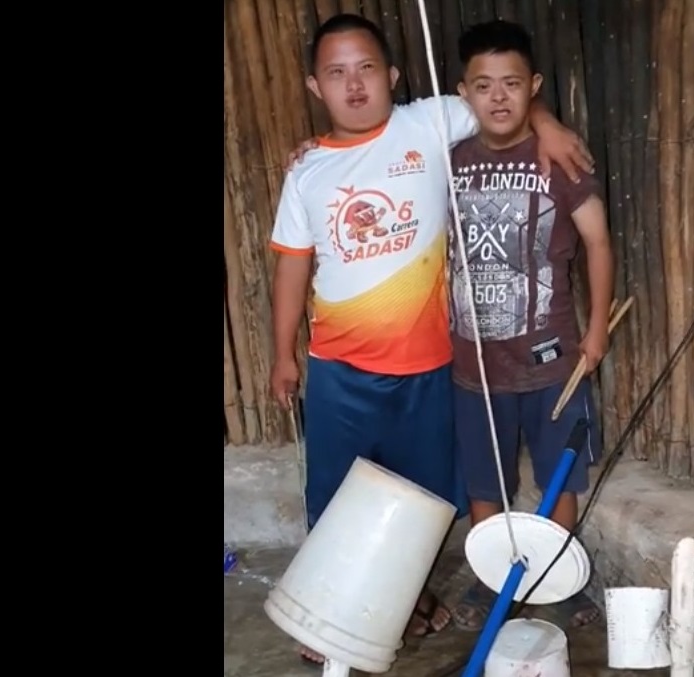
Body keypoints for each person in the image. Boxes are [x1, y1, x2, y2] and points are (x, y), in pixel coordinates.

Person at [267, 13, 593, 666]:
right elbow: (293, 264)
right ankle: (329, 617)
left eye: (365, 69)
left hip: (430, 364)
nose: (353, 85)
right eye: (336, 73)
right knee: (334, 496)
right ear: (314, 86)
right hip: (339, 368)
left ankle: (405, 603)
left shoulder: (431, 122)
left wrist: (550, 122)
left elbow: (503, 100)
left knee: (423, 500)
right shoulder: (306, 173)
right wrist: (281, 354)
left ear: (391, 76)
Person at [445, 20, 614, 632]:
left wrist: (595, 333)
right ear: (462, 93)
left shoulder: (558, 158)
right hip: (473, 365)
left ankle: (556, 575)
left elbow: (597, 243)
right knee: (483, 482)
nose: (498, 97)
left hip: (552, 361)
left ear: (533, 87)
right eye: (483, 85)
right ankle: (490, 579)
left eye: (512, 84)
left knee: (557, 476)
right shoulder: (448, 158)